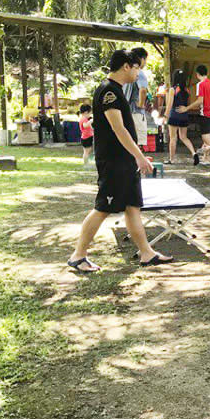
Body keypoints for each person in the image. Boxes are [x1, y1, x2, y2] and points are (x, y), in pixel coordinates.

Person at [66, 50, 174, 272]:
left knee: (133, 206)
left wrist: (136, 155)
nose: (138, 72)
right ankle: (78, 256)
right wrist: (139, 156)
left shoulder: (116, 91)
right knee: (103, 207)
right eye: (137, 68)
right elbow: (118, 129)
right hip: (114, 162)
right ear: (126, 66)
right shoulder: (109, 92)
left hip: (125, 161)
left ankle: (147, 253)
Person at [162, 69, 198, 164]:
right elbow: (188, 103)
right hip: (184, 115)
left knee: (173, 138)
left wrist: (165, 116)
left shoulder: (172, 89)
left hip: (174, 114)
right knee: (184, 137)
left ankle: (171, 159)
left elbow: (169, 105)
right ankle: (194, 153)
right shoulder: (187, 90)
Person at [190, 63, 210, 146]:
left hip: (206, 114)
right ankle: (206, 157)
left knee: (206, 138)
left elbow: (200, 101)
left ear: (197, 74)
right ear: (207, 73)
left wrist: (187, 108)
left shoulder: (200, 84)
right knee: (208, 139)